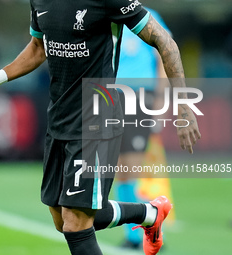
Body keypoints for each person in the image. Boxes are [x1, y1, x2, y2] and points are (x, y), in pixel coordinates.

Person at [0, 1, 201, 254]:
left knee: (76, 223)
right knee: (62, 217)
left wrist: (183, 107)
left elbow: (165, 43)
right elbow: (38, 47)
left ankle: (144, 218)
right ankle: (149, 213)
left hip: (98, 115)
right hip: (59, 118)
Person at [114, 8, 171, 249]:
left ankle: (151, 228)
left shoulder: (149, 16)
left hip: (139, 98)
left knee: (134, 167)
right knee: (119, 169)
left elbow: (164, 57)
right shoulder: (109, 16)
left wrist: (159, 104)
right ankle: (134, 234)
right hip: (111, 97)